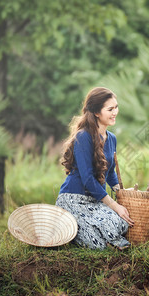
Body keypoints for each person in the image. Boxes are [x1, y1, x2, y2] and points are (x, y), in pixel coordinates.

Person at [56, 87, 134, 250]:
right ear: (97, 112)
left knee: (121, 224)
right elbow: (88, 179)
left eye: (116, 107)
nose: (115, 112)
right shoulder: (83, 136)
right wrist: (114, 205)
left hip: (95, 200)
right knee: (98, 245)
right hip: (73, 199)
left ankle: (89, 231)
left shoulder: (111, 138)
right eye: (110, 109)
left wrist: (121, 192)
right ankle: (72, 229)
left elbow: (110, 171)